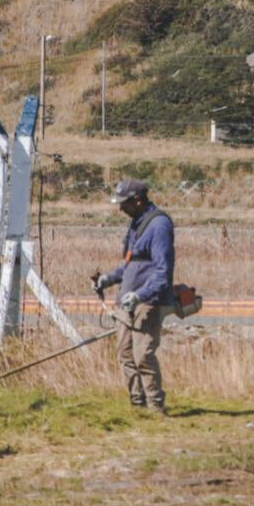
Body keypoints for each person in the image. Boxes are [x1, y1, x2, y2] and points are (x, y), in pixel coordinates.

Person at [93, 178, 174, 415]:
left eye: (123, 203)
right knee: (125, 355)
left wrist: (140, 296)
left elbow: (163, 273)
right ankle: (137, 406)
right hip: (126, 301)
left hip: (147, 302)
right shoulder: (136, 224)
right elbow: (131, 264)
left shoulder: (159, 226)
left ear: (137, 201)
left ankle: (156, 407)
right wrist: (109, 278)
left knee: (143, 356)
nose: (120, 208)